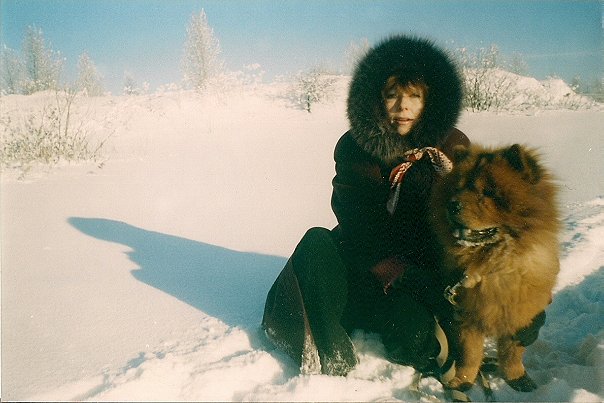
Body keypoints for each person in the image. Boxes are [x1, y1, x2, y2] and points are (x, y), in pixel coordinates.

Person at [262, 35, 542, 379]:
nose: (402, 107)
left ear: (430, 101)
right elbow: (355, 219)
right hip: (373, 259)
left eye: (414, 97)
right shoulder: (356, 147)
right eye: (392, 95)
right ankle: (333, 343)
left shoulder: (454, 146)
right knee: (321, 250)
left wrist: (509, 277)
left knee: (446, 328)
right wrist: (388, 268)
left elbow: (478, 217)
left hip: (433, 265)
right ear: (376, 99)